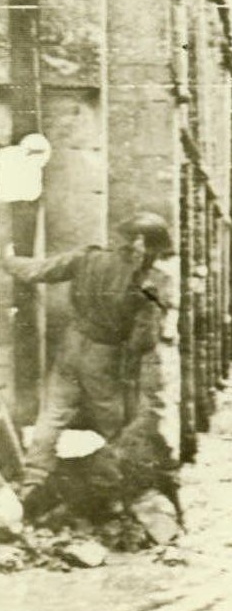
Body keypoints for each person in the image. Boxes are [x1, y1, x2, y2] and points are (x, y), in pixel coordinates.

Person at [2, 212, 176, 510]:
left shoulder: (87, 257)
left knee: (54, 411)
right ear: (141, 244)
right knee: (115, 421)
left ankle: (33, 480)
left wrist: (8, 260)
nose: (155, 258)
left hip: (72, 344)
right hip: (105, 354)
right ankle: (112, 492)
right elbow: (142, 342)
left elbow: (38, 271)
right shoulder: (143, 284)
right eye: (155, 250)